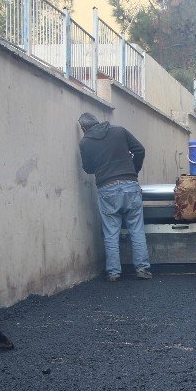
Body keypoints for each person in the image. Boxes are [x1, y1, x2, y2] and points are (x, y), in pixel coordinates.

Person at [78, 112, 152, 283]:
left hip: (107, 188)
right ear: (98, 121)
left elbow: (88, 169)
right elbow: (140, 149)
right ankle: (142, 269)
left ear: (83, 128)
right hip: (130, 184)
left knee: (111, 232)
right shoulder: (119, 131)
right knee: (137, 229)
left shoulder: (85, 143)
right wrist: (134, 169)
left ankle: (113, 272)